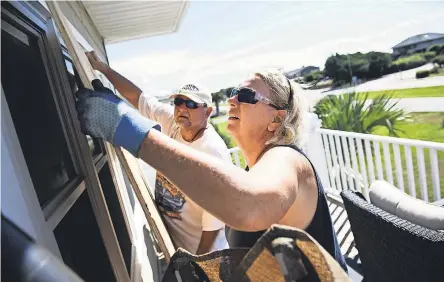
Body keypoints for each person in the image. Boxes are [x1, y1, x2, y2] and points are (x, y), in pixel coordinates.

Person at [75, 69, 348, 272]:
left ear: (277, 118)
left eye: (245, 96)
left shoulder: (288, 159)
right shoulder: (254, 169)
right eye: (232, 93)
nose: (231, 101)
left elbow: (248, 207)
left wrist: (127, 129)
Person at [86, 52, 230, 255]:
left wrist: (196, 266)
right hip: (175, 247)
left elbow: (213, 226)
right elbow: (138, 98)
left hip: (205, 256)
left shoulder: (212, 153)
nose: (182, 108)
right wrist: (104, 69)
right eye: (178, 102)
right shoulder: (172, 121)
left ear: (207, 112)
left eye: (191, 104)